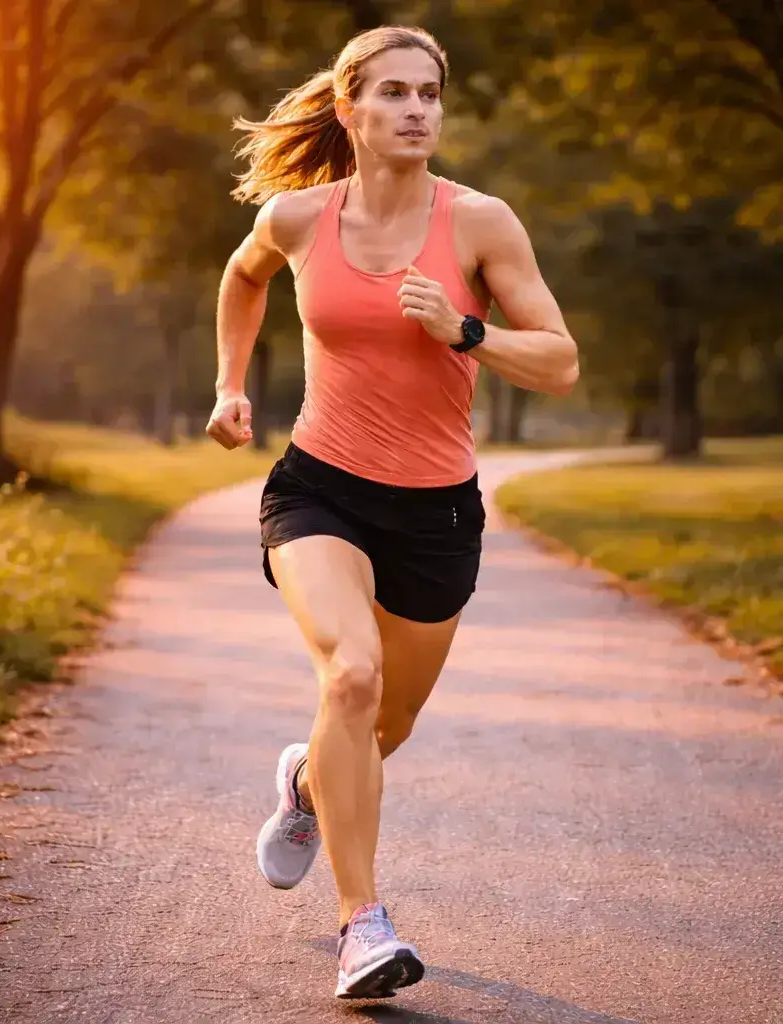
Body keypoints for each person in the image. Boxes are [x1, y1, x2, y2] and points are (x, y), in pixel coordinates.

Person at [206, 24, 579, 1001]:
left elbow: (560, 359)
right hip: (319, 488)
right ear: (350, 109)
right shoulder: (297, 218)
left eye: (429, 93)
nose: (417, 109)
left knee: (380, 725)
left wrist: (463, 329)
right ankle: (361, 926)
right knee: (353, 671)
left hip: (436, 516)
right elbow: (242, 275)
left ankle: (302, 787)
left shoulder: (480, 225)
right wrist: (229, 385)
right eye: (395, 92)